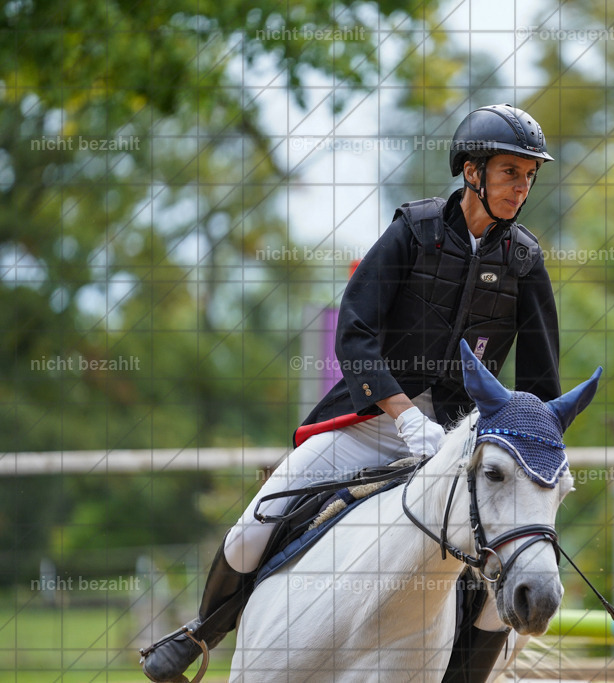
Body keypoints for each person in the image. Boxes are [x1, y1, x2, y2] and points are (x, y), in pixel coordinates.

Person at [140, 103, 561, 682]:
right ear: (472, 171)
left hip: (459, 448)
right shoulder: (412, 232)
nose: (522, 186)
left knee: (497, 587)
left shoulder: (526, 262)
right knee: (257, 523)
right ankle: (202, 632)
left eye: (530, 175)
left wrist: (524, 445)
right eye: (511, 171)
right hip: (371, 424)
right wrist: (404, 414)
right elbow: (355, 334)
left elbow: (541, 385)